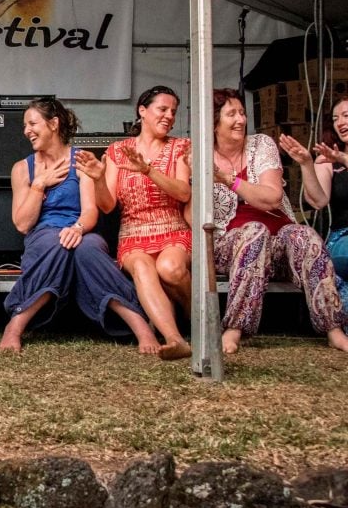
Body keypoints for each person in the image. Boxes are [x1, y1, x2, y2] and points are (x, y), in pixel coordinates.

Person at [0, 97, 158, 354]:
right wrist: (39, 184)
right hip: (43, 233)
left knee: (88, 249)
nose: (26, 130)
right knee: (56, 244)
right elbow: (22, 224)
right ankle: (15, 326)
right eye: (24, 125)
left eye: (31, 123)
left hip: (81, 230)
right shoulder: (22, 169)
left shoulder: (81, 161)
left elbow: (90, 211)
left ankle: (141, 326)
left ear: (53, 123)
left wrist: (78, 229)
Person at [210, 88, 348, 353]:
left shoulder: (260, 144)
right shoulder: (202, 155)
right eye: (231, 114)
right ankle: (235, 328)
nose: (240, 119)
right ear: (214, 122)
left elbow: (272, 197)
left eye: (242, 113)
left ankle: (334, 329)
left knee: (305, 236)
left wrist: (230, 180)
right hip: (231, 243)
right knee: (255, 231)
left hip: (279, 241)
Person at [75, 85, 193, 360]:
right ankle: (175, 339)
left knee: (170, 268)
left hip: (172, 227)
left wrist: (148, 170)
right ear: (142, 111)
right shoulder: (119, 150)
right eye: (162, 109)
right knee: (142, 266)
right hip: (133, 233)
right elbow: (107, 205)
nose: (169, 116)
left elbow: (183, 192)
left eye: (173, 112)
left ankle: (194, 320)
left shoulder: (180, 147)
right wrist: (98, 179)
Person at [277, 95, 348, 282]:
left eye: (346, 116)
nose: (340, 123)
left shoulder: (338, 158)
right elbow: (318, 201)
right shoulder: (327, 159)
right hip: (343, 238)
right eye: (335, 119)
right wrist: (307, 164)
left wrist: (343, 158)